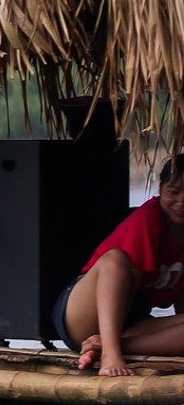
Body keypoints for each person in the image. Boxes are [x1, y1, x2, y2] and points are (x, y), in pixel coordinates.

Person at [56, 157, 184, 377]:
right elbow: (121, 275)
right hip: (85, 314)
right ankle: (110, 354)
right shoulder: (148, 218)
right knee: (116, 260)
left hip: (132, 326)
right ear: (160, 188)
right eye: (173, 191)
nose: (181, 202)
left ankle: (105, 345)